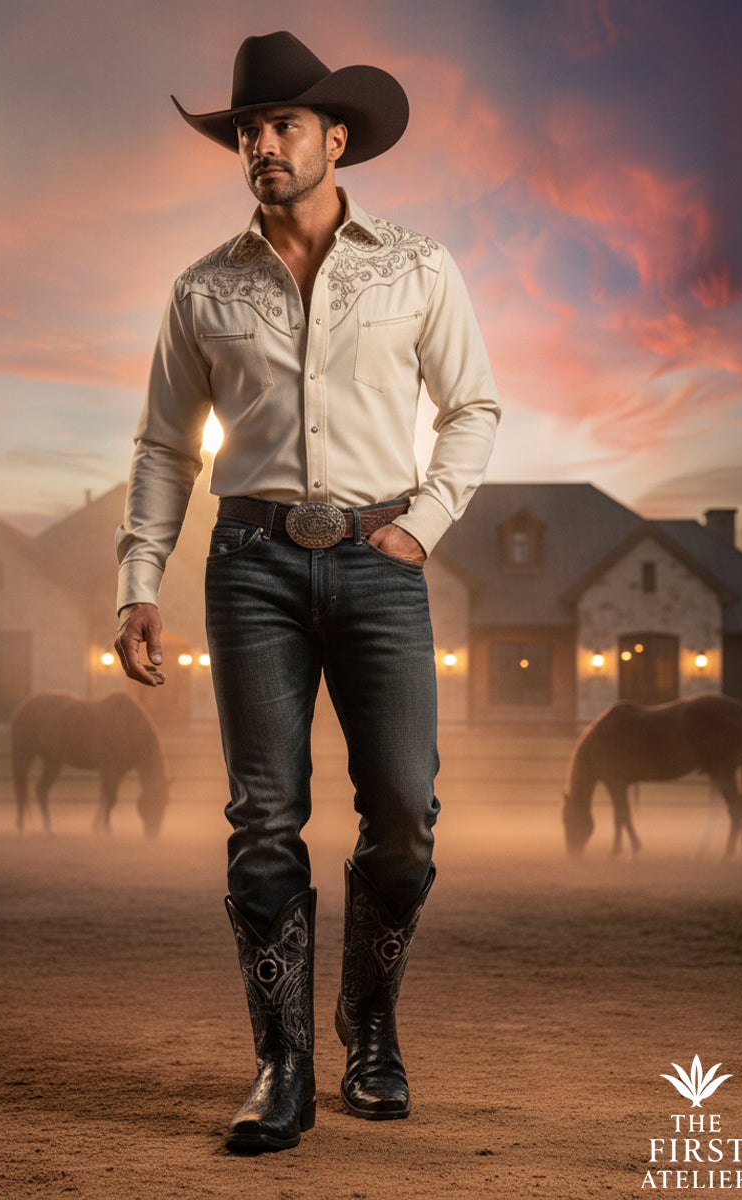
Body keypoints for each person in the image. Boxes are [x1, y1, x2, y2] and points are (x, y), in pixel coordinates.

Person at [114, 31, 500, 1153]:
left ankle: (367, 1029)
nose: (260, 145)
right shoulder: (203, 287)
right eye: (247, 129)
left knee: (404, 823)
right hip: (250, 567)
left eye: (283, 125)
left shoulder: (419, 267)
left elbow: (473, 408)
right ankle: (280, 1066)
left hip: (382, 562)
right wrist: (140, 582)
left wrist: (422, 528)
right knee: (263, 820)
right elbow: (161, 449)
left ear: (338, 140)